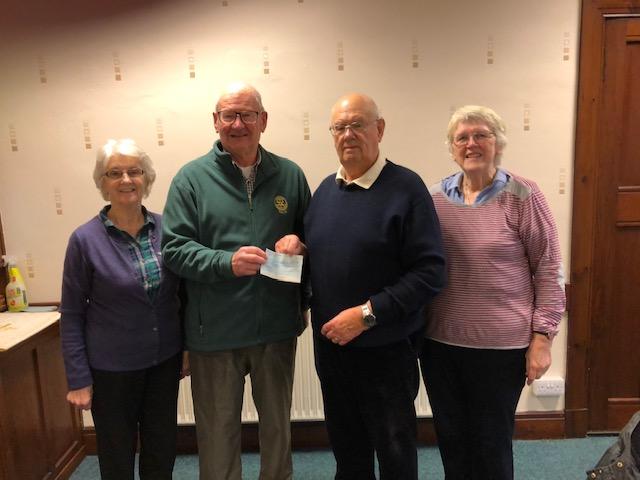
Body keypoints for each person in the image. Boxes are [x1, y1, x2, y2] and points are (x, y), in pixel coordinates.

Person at [161, 82, 311, 480]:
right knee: (216, 434)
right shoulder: (190, 179)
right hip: (215, 333)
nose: (238, 123)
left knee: (278, 431)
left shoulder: (290, 175)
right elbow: (173, 249)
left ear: (263, 120)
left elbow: (314, 240)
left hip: (276, 328)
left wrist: (301, 244)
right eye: (229, 115)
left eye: (247, 114)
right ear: (215, 122)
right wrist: (225, 262)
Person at [302, 93, 447, 479]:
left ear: (379, 129)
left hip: (385, 351)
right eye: (339, 127)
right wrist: (294, 245)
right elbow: (324, 260)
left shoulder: (406, 189)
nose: (348, 134)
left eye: (358, 124)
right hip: (333, 352)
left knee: (395, 455)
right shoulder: (324, 192)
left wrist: (367, 315)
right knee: (348, 454)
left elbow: (430, 272)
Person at [421, 105, 566, 479]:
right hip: (441, 346)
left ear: (498, 145)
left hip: (501, 350)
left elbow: (549, 268)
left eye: (481, 135)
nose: (472, 143)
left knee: (491, 443)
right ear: (452, 148)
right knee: (452, 441)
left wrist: (542, 338)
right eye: (462, 137)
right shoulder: (433, 197)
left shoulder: (523, 194)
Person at [60, 139, 184, 480]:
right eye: (115, 173)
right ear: (103, 182)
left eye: (134, 171)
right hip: (111, 370)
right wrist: (78, 379)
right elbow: (71, 314)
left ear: (147, 178)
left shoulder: (168, 229)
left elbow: (183, 296)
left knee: (162, 448)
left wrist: (187, 350)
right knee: (116, 455)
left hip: (164, 363)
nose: (126, 179)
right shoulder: (84, 240)